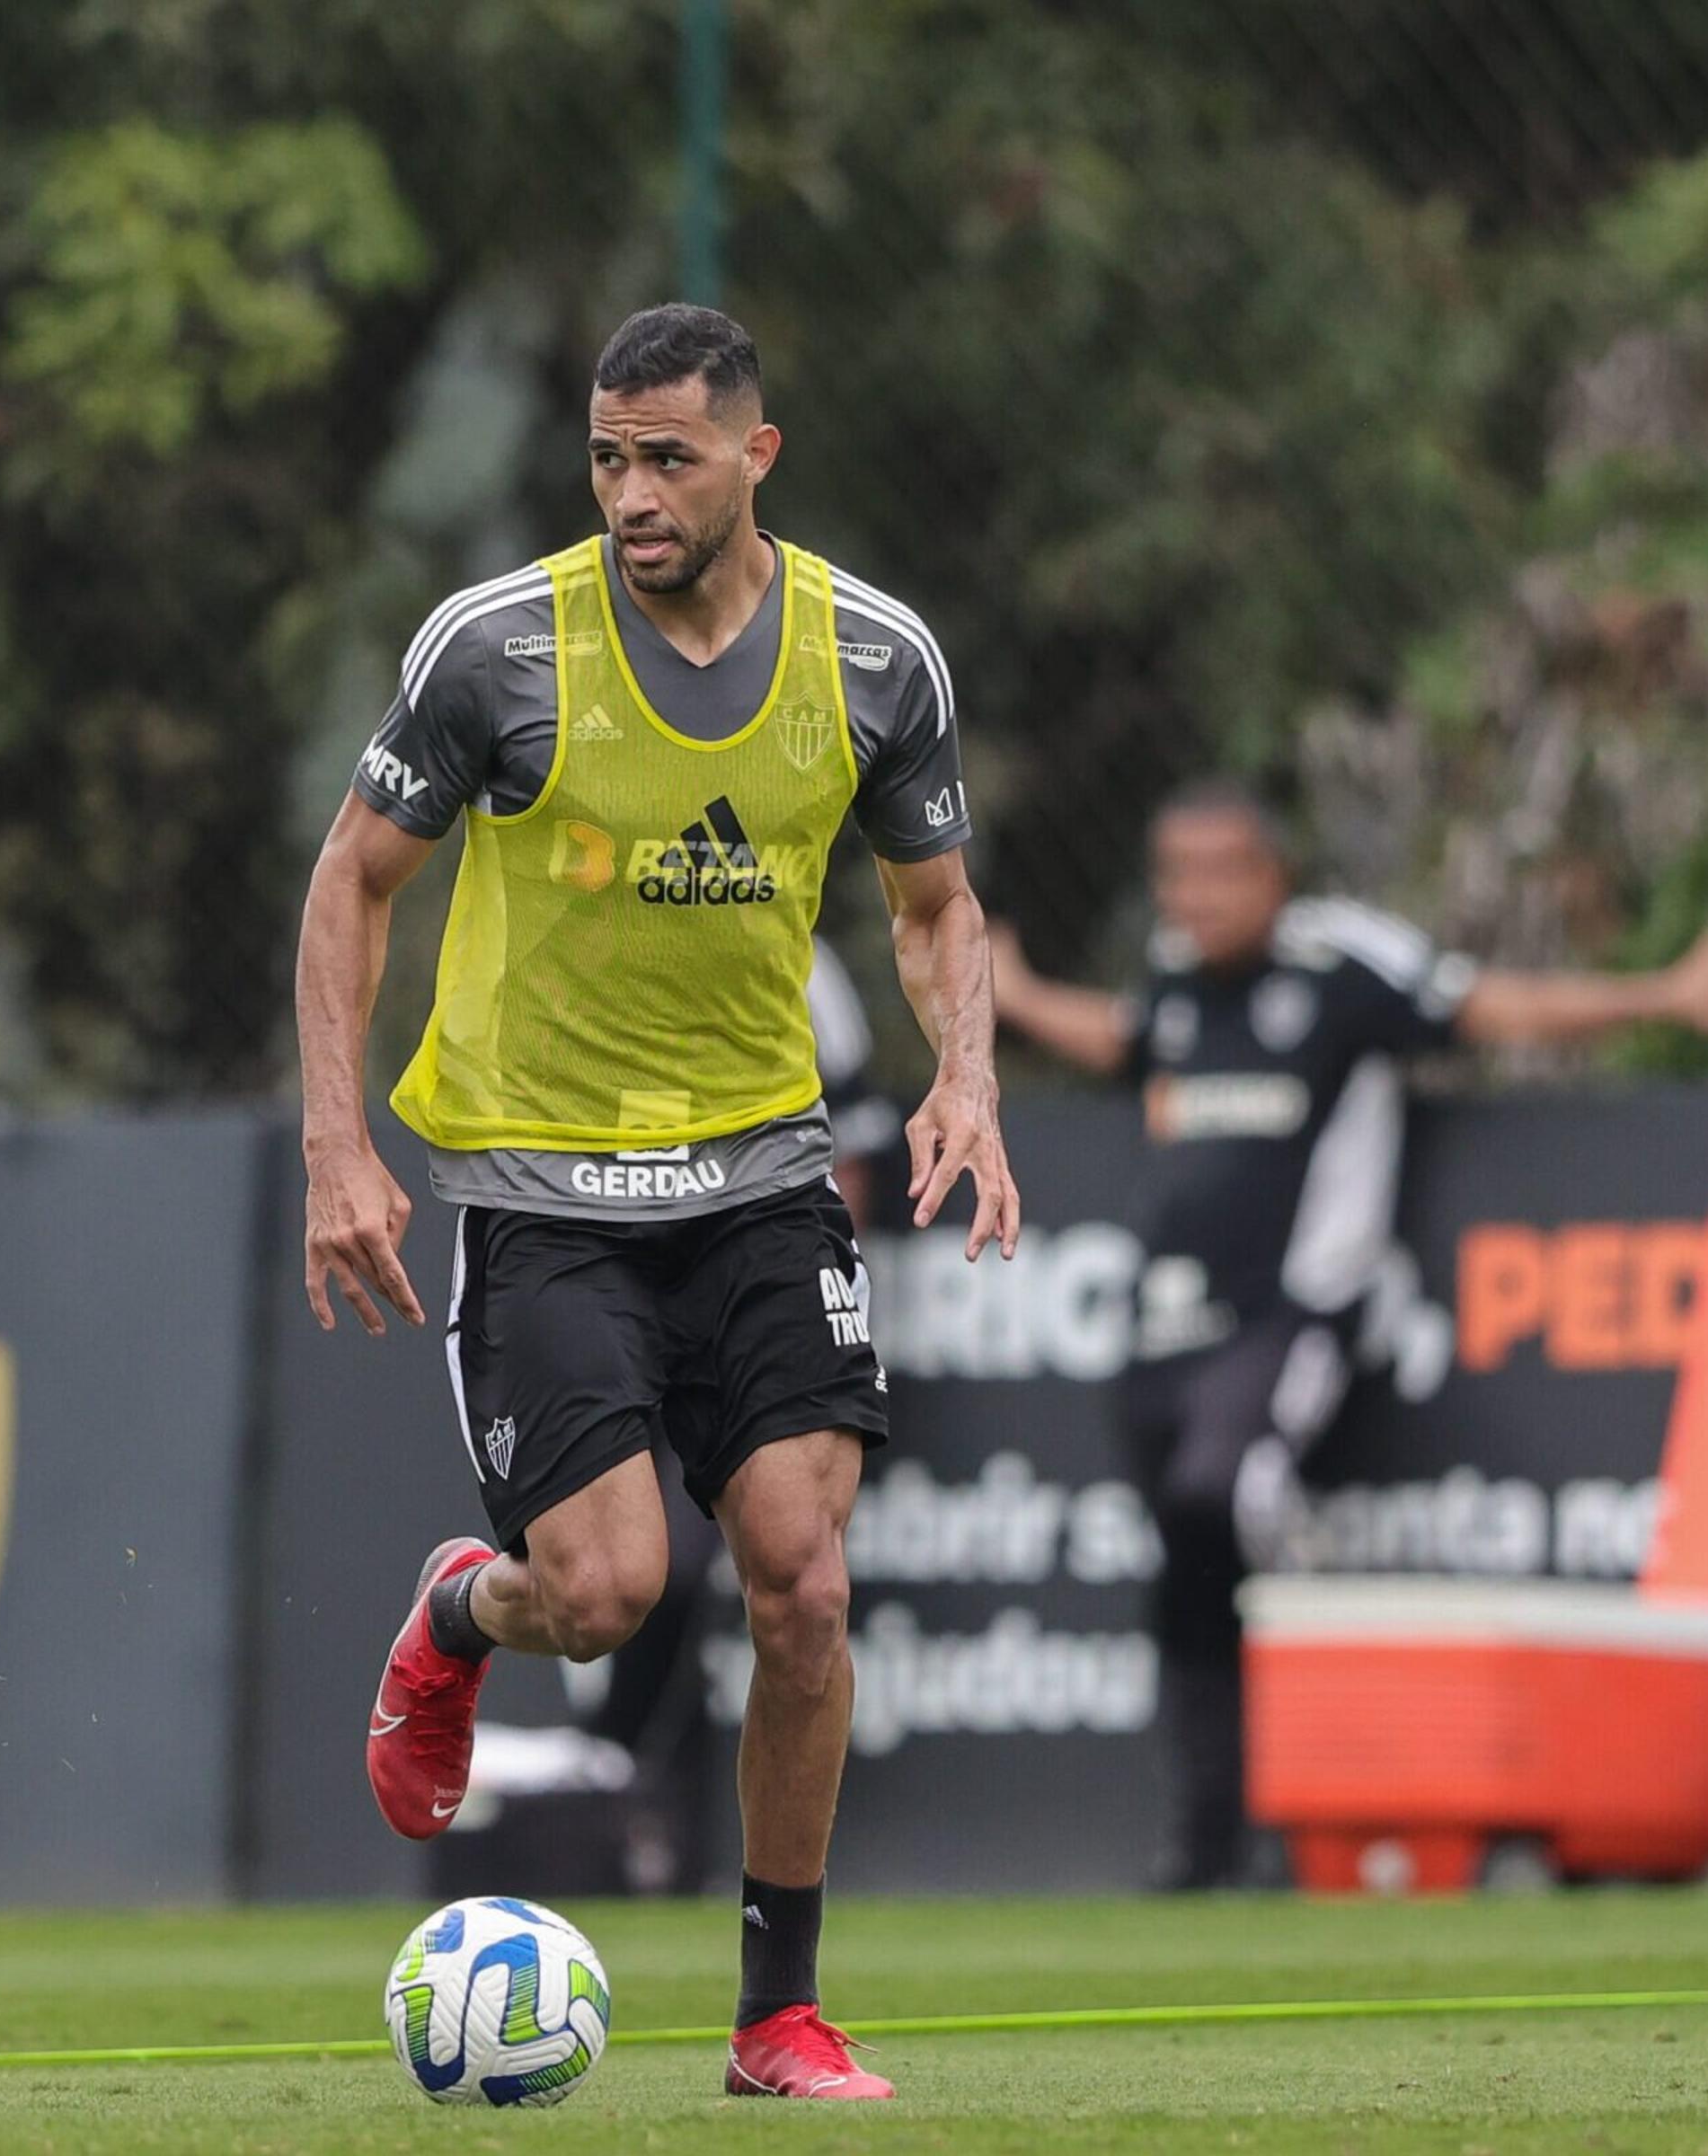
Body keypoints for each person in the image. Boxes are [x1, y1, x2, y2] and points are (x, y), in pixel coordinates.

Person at [297, 304, 1018, 2101]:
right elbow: (351, 885)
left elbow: (933, 908)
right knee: (610, 1592)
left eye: (670, 458)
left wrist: (969, 1075)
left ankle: (778, 2018)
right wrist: (337, 1147)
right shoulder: (496, 651)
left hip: (764, 1178)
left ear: (756, 456)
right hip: (543, 1189)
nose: (631, 492)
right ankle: (468, 1610)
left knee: (802, 1586)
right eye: (609, 458)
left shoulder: (874, 657)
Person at [989, 777, 1708, 1891]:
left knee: (1229, 1494)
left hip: (1289, 1319)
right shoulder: (1168, 989)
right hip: (1161, 1328)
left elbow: (1495, 1008)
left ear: (1276, 876)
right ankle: (1209, 1849)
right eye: (1178, 875)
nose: (1198, 897)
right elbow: (1115, 1037)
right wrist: (1013, 996)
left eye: (1224, 871)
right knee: (1185, 1574)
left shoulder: (1340, 969)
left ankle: (1325, 1793)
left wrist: (1667, 994)